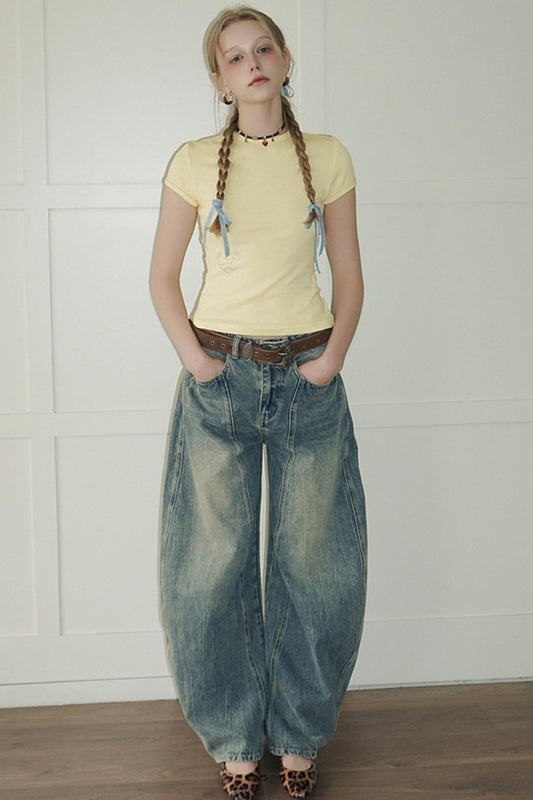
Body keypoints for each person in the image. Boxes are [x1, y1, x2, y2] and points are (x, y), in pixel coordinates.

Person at [149, 6, 367, 799]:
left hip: (309, 377)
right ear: (219, 79)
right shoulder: (192, 161)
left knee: (316, 566)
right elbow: (162, 277)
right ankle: (236, 742)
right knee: (210, 568)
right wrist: (199, 366)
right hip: (222, 381)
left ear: (283, 60)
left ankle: (298, 738)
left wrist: (329, 361)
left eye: (262, 48)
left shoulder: (329, 157)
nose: (252, 64)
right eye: (234, 56)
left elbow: (349, 275)